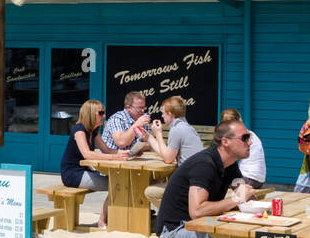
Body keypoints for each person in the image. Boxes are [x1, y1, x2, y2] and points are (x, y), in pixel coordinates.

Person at [154, 118, 256, 238]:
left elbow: (244, 194)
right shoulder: (204, 164)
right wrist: (236, 199)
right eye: (245, 138)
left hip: (197, 226)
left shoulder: (230, 164)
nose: (250, 142)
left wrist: (246, 196)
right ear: (225, 141)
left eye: (249, 137)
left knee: (251, 234)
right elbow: (197, 211)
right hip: (174, 232)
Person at [58, 99, 128, 229]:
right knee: (117, 183)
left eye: (104, 112)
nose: (104, 116)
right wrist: (114, 157)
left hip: (84, 171)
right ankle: (102, 221)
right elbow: (87, 154)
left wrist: (125, 153)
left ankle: (116, 218)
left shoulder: (93, 131)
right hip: (73, 175)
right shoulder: (79, 130)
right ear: (91, 114)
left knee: (119, 180)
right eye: (101, 113)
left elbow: (106, 149)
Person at [144, 96, 204, 207]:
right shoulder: (187, 127)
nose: (162, 116)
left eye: (163, 113)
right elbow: (166, 154)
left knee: (151, 192)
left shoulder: (177, 130)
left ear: (170, 114)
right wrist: (149, 138)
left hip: (191, 183)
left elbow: (168, 159)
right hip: (198, 180)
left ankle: (176, 217)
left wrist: (158, 134)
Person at [220, 108, 266, 187]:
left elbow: (228, 159)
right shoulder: (250, 133)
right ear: (240, 119)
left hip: (248, 179)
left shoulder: (237, 136)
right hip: (258, 179)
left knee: (215, 182)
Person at [102, 90, 151, 156]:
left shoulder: (141, 118)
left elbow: (148, 143)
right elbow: (121, 142)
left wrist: (136, 149)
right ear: (128, 108)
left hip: (128, 159)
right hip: (108, 160)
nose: (142, 111)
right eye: (139, 108)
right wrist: (137, 125)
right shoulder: (117, 118)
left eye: (143, 107)